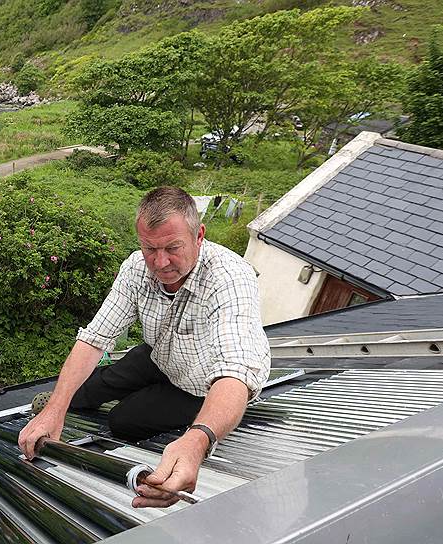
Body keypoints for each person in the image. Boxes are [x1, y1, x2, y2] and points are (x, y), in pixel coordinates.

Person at [18, 186, 270, 508]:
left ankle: (198, 412)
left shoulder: (231, 278)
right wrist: (55, 409)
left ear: (199, 235)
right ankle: (61, 407)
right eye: (150, 248)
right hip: (160, 353)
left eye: (172, 247)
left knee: (124, 420)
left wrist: (196, 442)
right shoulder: (137, 267)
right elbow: (95, 338)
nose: (160, 262)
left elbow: (234, 371)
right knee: (86, 390)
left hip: (201, 382)